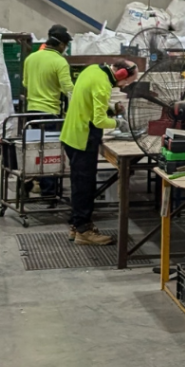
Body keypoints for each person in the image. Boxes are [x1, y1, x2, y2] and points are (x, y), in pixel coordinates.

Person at [60, 60, 139, 246]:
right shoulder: (103, 84)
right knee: (84, 186)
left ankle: (76, 225)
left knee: (79, 184)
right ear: (120, 74)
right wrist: (119, 123)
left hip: (71, 134)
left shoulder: (92, 69)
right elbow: (98, 121)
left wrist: (112, 109)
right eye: (127, 82)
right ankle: (84, 232)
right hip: (83, 138)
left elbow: (89, 102)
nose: (125, 86)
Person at [22, 24, 75, 197]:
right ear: (61, 45)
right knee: (50, 153)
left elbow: (25, 83)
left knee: (36, 150)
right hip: (50, 113)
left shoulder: (31, 58)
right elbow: (68, 89)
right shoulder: (59, 61)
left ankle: (32, 181)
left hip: (31, 112)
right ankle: (49, 192)